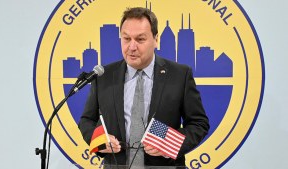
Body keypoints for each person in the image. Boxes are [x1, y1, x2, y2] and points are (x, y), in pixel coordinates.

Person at [78, 7, 209, 167]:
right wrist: (99, 141)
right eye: (126, 39)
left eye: (140, 39)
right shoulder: (104, 76)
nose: (132, 47)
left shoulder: (180, 75)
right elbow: (87, 120)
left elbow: (198, 123)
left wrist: (169, 142)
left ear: (156, 39)